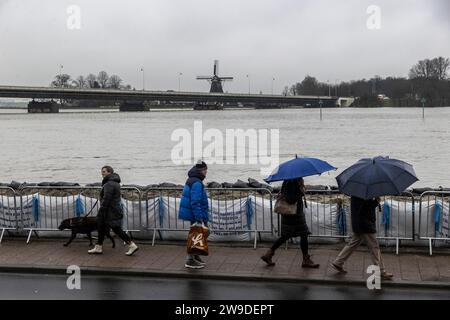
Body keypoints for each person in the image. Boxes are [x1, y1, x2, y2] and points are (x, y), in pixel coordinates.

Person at [330, 196, 393, 280]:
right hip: (365, 224)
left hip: (358, 223)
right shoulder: (363, 195)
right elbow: (366, 208)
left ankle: (338, 262)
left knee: (353, 244)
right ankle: (381, 271)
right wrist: (376, 201)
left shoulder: (357, 192)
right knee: (374, 247)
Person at [261, 178, 319, 268]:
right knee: (303, 234)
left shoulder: (289, 181)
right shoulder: (292, 182)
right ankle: (306, 260)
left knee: (286, 236)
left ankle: (268, 254)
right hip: (294, 216)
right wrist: (301, 191)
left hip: (291, 215)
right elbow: (290, 199)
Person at [88, 166, 139, 256]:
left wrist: (102, 210)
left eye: (104, 171)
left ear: (109, 172)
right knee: (101, 227)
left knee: (116, 229)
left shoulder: (109, 184)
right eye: (101, 171)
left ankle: (131, 245)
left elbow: (107, 198)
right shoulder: (114, 182)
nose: (102, 173)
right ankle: (98, 247)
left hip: (109, 211)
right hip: (112, 210)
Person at [179, 160, 209, 269]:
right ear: (202, 170)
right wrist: (199, 218)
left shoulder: (193, 179)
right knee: (198, 235)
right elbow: (195, 202)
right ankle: (190, 259)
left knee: (199, 234)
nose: (206, 172)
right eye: (206, 170)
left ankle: (195, 256)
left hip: (194, 213)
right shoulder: (196, 182)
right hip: (195, 214)